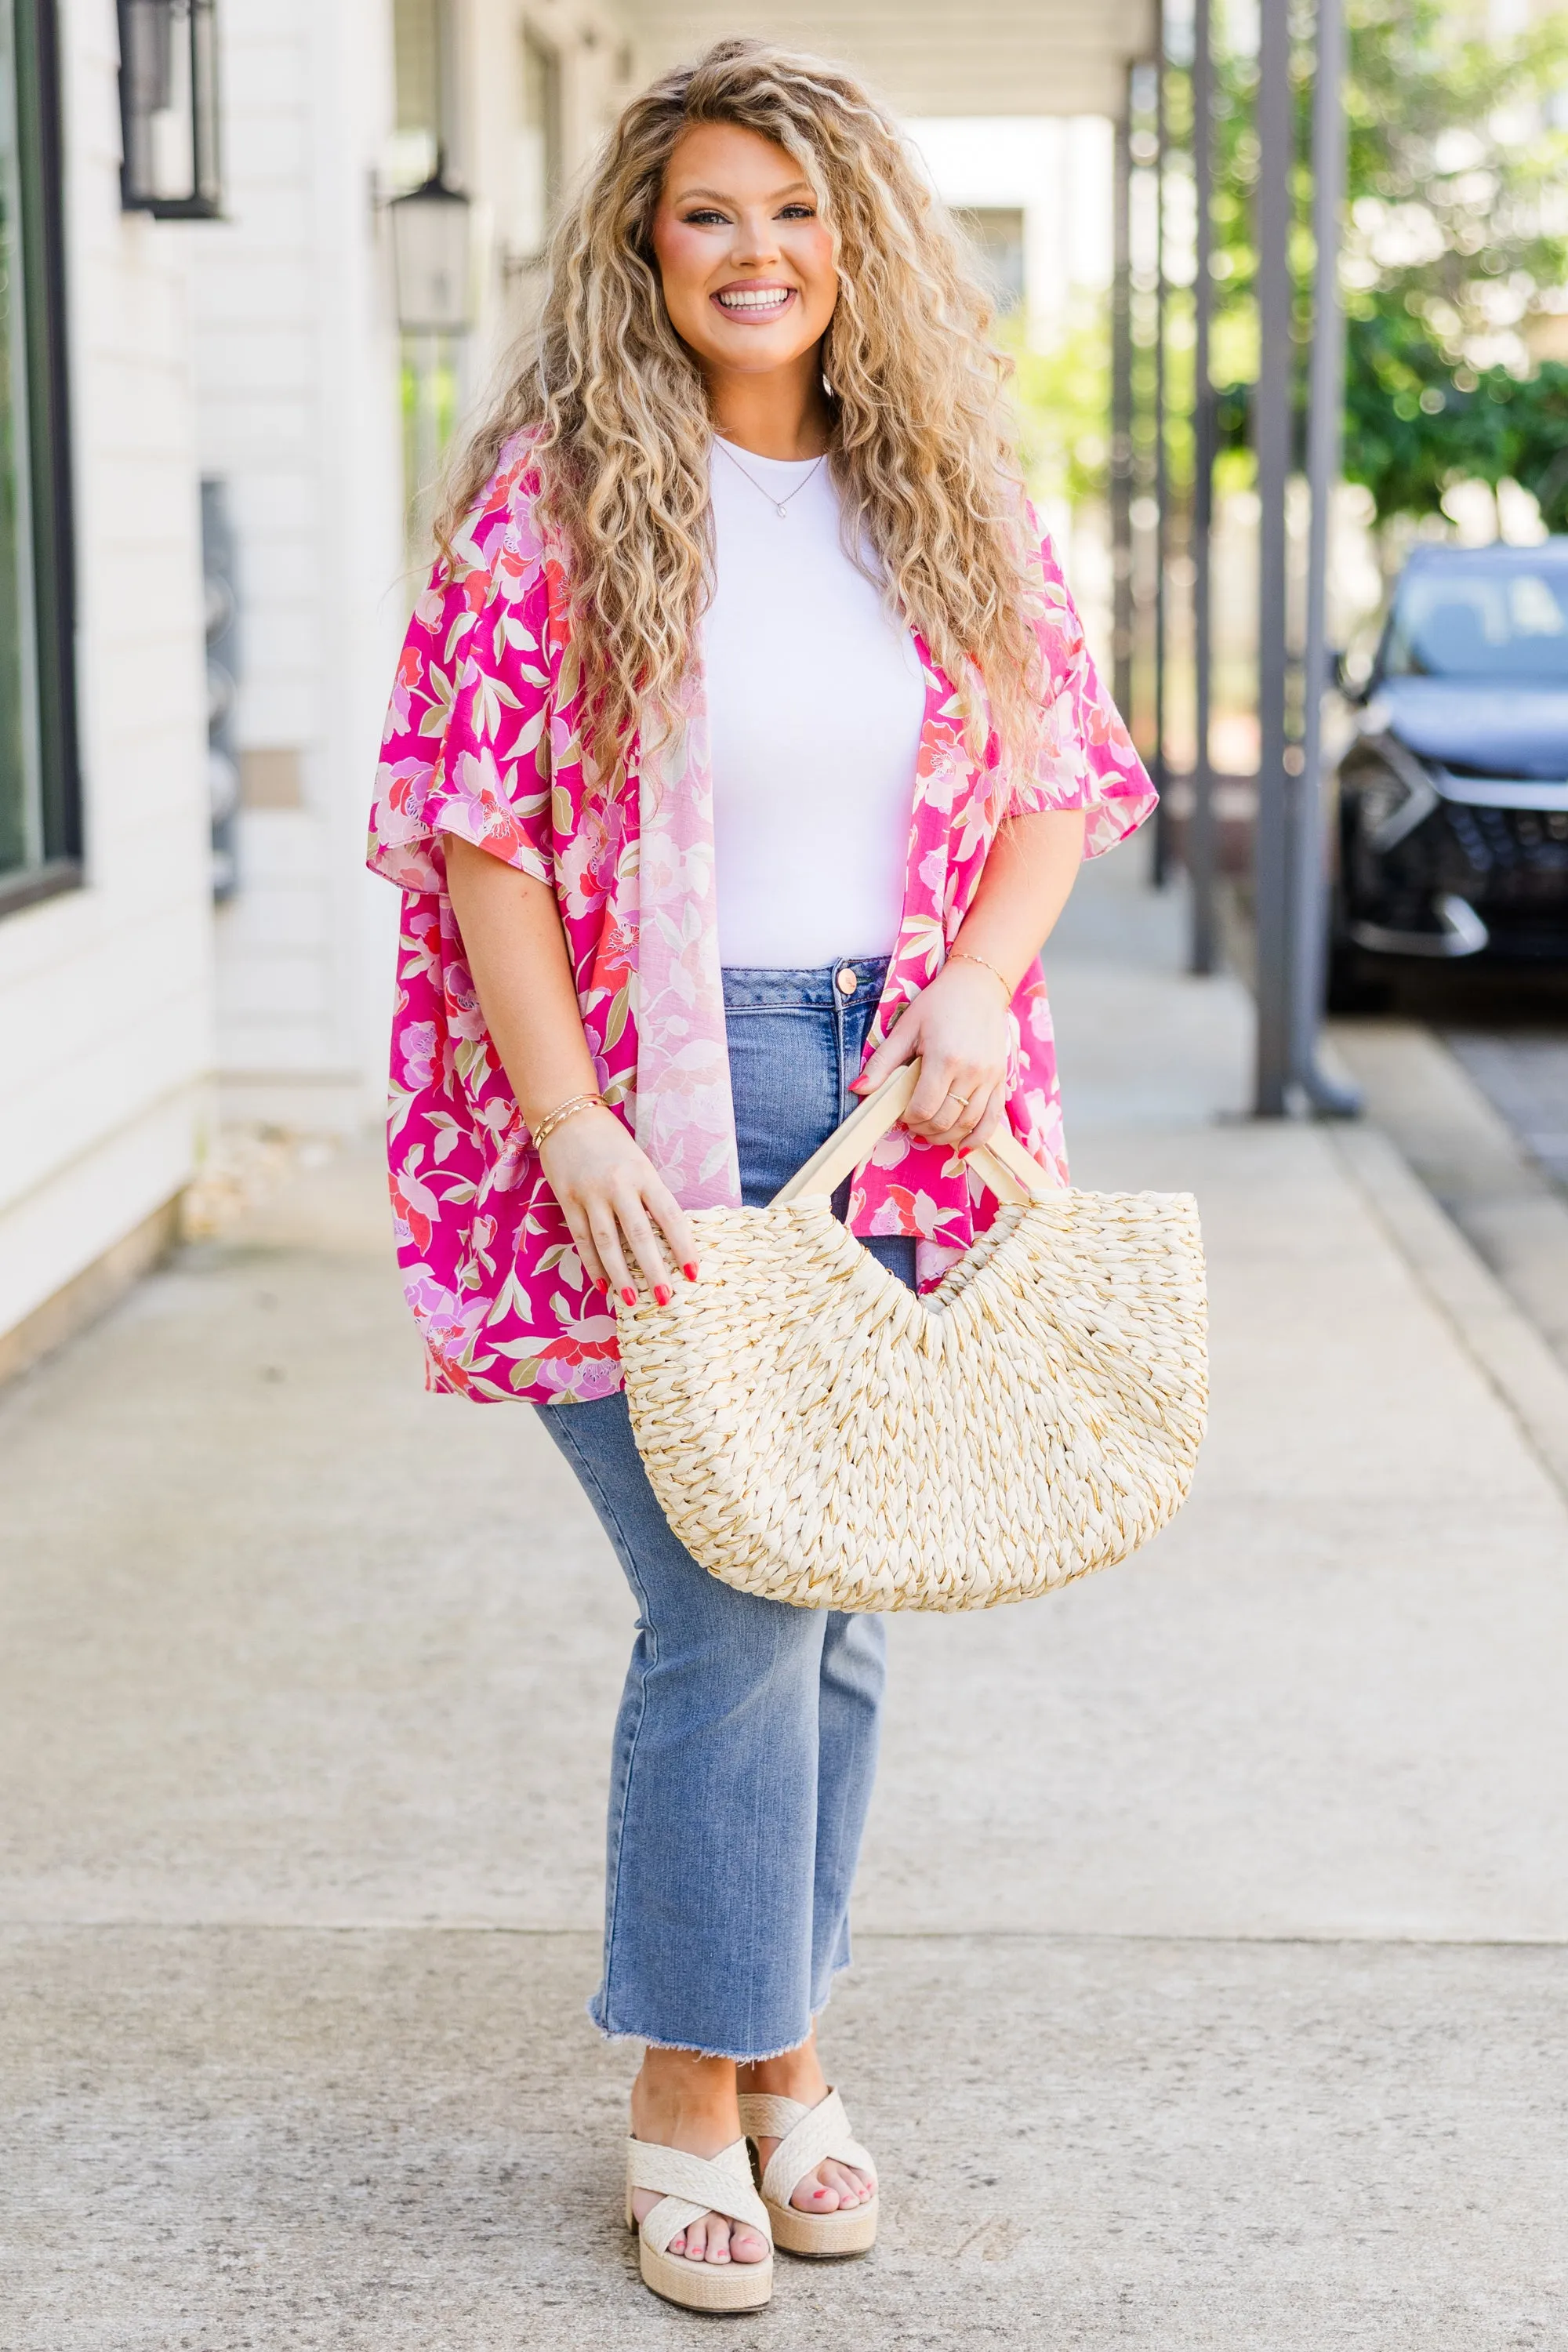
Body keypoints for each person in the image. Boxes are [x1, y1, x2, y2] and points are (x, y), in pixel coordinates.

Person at [367, 36, 1154, 2316]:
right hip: (632, 1105)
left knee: (840, 1596)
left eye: (797, 214)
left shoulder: (947, 500)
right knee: (731, 1594)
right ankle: (692, 2108)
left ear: (860, 244)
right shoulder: (552, 504)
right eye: (710, 212)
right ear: (643, 239)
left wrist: (984, 994)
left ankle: (785, 2060)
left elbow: (1060, 779)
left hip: (892, 1092)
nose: (755, 254)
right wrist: (574, 1114)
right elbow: (482, 835)